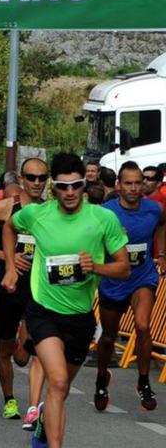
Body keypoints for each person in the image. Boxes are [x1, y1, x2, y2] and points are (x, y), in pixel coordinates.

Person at [2, 152, 130, 448]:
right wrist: (10, 266)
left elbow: (123, 267)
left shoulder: (103, 219)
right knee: (57, 381)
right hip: (44, 311)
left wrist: (95, 267)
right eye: (62, 186)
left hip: (81, 317)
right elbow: (9, 228)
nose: (70, 193)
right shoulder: (37, 214)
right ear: (53, 188)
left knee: (59, 390)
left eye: (76, 186)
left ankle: (45, 421)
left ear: (85, 185)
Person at [0, 157, 49, 426]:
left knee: (24, 355)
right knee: (6, 350)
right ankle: (9, 400)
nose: (37, 183)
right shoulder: (6, 207)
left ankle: (33, 404)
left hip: (39, 289)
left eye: (42, 178)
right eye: (32, 177)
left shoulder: (52, 210)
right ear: (21, 178)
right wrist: (7, 257)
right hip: (10, 286)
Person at [96, 161, 164, 412]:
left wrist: (163, 253)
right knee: (108, 338)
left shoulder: (154, 209)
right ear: (119, 185)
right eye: (129, 183)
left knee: (143, 325)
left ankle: (144, 382)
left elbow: (162, 224)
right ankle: (102, 377)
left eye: (139, 182)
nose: (135, 188)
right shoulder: (106, 212)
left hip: (142, 277)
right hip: (114, 281)